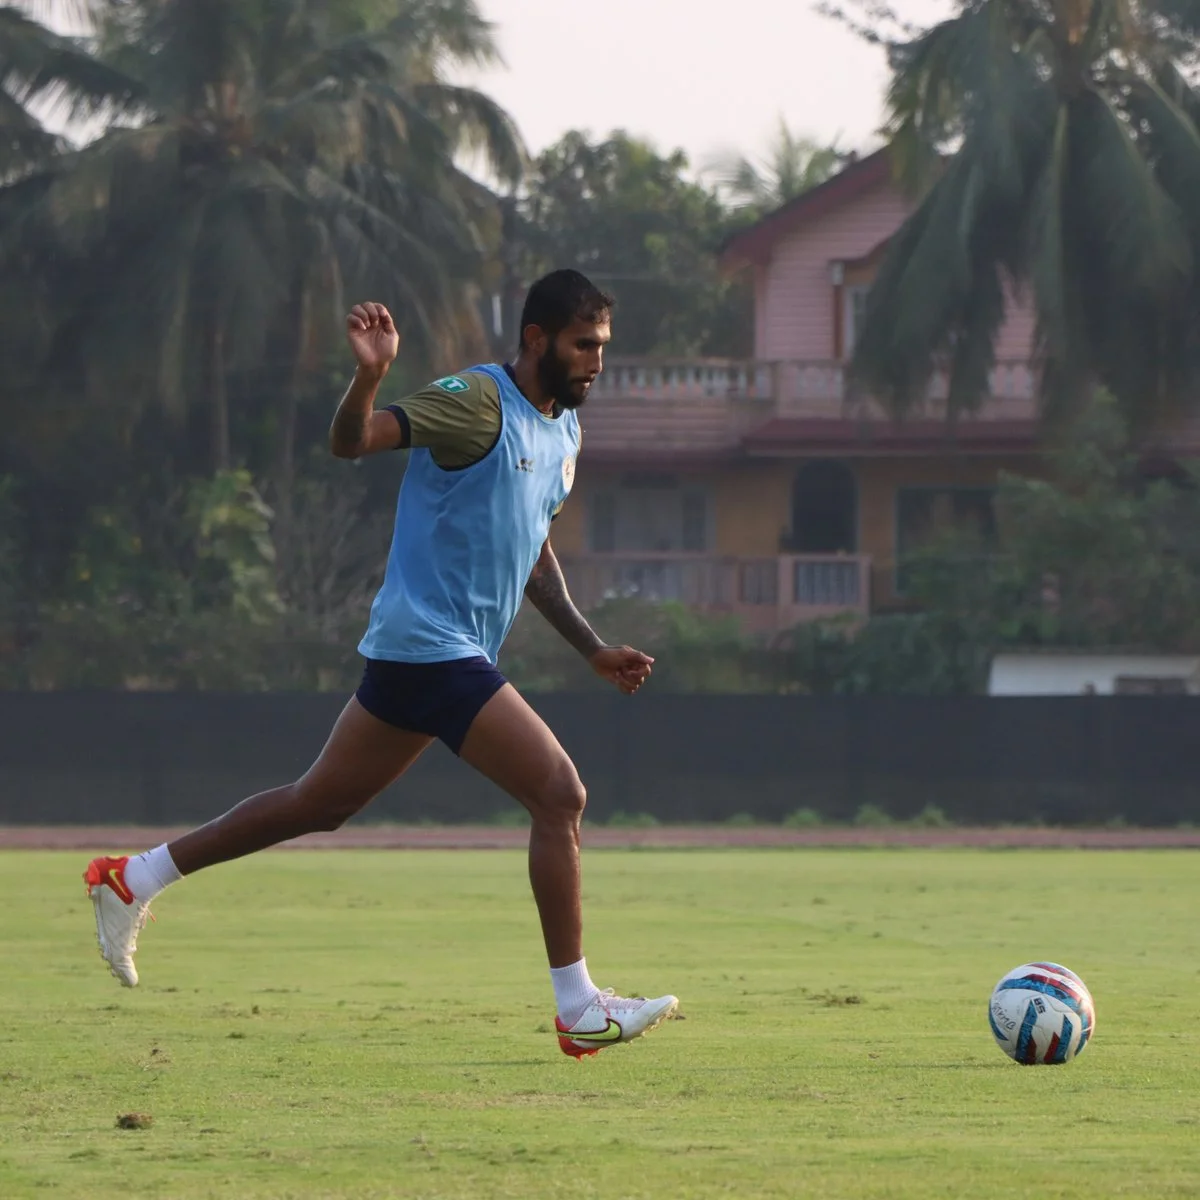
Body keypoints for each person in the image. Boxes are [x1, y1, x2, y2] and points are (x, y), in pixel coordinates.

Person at [83, 269, 678, 1058]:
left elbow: (533, 554)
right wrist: (368, 377)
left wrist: (592, 646)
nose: (596, 361)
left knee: (315, 804)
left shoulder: (563, 429)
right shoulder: (475, 401)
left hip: (424, 653)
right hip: (433, 645)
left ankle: (134, 879)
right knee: (560, 794)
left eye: (603, 347)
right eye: (583, 345)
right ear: (537, 339)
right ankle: (578, 1007)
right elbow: (350, 442)